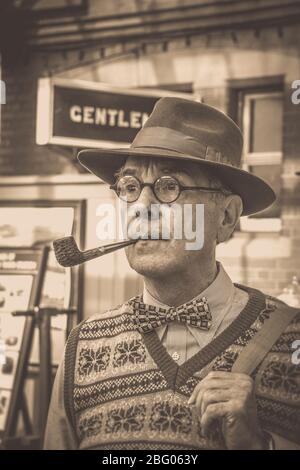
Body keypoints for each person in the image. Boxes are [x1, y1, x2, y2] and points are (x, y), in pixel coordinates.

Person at [44, 97, 300, 450]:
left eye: (169, 186)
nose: (143, 208)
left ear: (226, 217)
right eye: (130, 187)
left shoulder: (292, 341)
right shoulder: (84, 345)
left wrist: (257, 445)